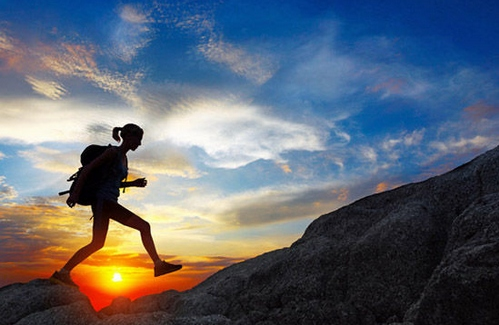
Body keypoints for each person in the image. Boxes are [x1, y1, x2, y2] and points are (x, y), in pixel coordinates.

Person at [51, 123, 181, 288]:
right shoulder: (112, 152)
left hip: (109, 202)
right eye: (138, 139)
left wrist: (133, 184)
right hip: (103, 201)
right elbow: (88, 170)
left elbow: (113, 183)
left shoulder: (124, 159)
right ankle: (158, 264)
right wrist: (75, 193)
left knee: (97, 243)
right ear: (127, 136)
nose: (140, 143)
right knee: (144, 226)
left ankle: (62, 273)